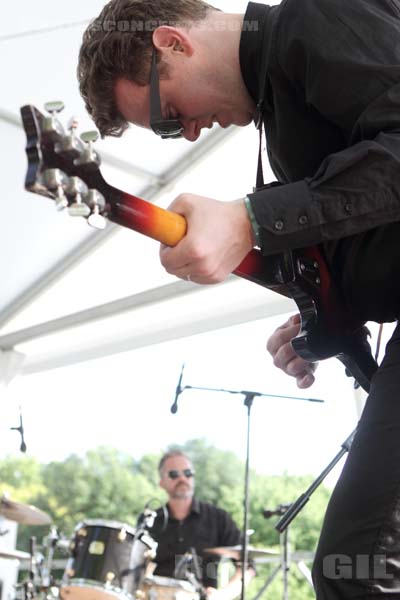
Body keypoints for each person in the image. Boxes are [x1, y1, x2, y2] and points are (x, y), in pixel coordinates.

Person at [78, 0, 400, 597]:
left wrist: (253, 219)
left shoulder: (318, 16)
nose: (190, 132)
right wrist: (323, 314)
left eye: (171, 118)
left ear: (173, 42)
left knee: (361, 563)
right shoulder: (279, 112)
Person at [146, 451, 253, 600]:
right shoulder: (150, 521)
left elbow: (247, 567)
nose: (182, 478)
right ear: (161, 482)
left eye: (188, 473)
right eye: (174, 474)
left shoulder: (218, 518)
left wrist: (222, 595)